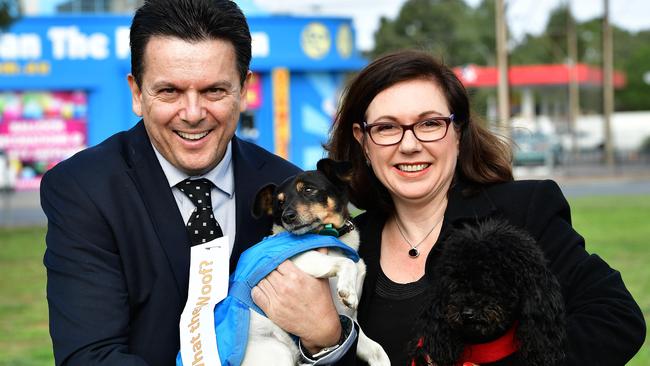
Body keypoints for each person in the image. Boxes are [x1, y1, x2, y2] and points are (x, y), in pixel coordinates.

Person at [41, 0, 347, 364]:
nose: (192, 114)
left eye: (214, 90)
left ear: (244, 89)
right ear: (138, 93)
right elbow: (89, 356)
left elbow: (329, 326)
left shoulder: (286, 186)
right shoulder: (84, 188)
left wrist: (326, 340)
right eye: (169, 91)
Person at [325, 50, 646, 365]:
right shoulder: (347, 246)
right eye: (387, 128)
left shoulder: (523, 211)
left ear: (458, 131)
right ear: (362, 140)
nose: (409, 145)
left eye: (430, 123)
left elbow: (616, 318)